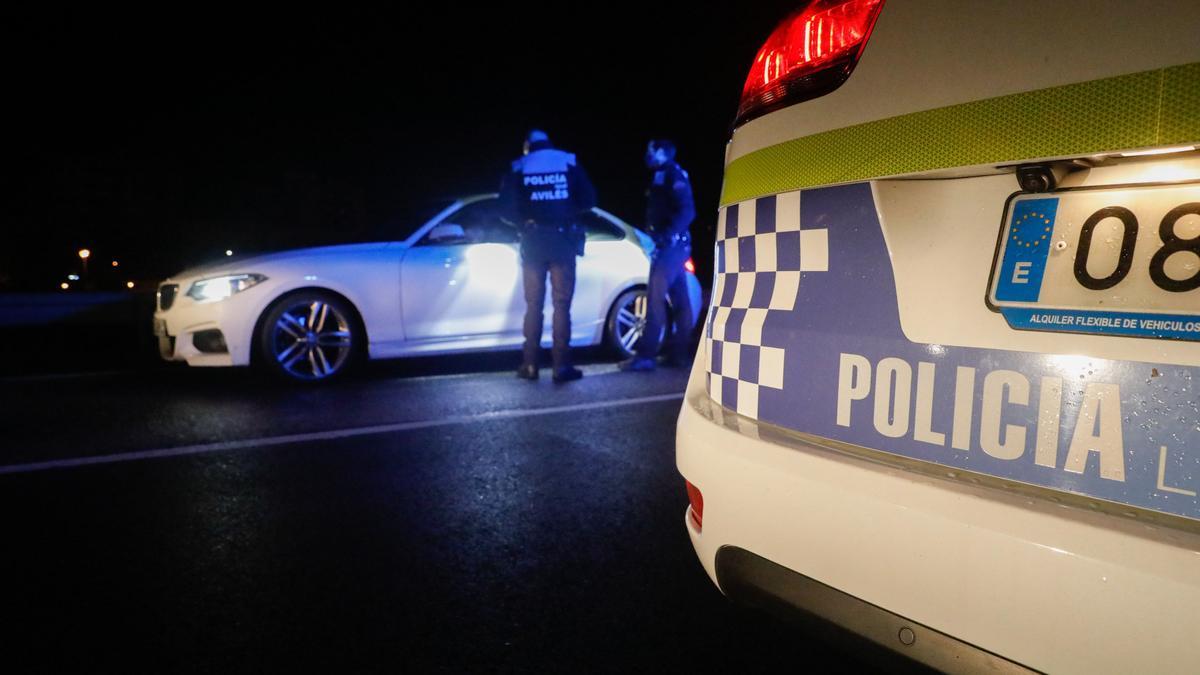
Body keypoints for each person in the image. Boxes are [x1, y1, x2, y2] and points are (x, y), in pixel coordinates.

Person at [498, 129, 596, 383]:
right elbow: (589, 199)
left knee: (534, 305)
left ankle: (530, 365)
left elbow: (505, 209)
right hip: (562, 241)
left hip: (532, 242)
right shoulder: (568, 161)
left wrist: (525, 222)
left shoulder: (519, 165)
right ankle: (561, 367)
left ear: (527, 146)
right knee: (561, 305)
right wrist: (565, 212)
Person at [621, 139, 695, 372]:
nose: (647, 155)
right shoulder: (664, 174)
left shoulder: (672, 174)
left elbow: (688, 210)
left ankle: (646, 356)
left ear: (661, 153)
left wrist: (665, 235)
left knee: (654, 299)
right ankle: (680, 354)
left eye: (650, 151)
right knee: (681, 300)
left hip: (670, 248)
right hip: (674, 247)